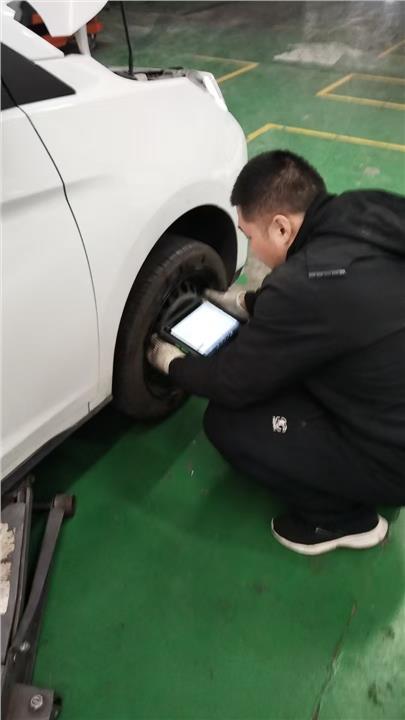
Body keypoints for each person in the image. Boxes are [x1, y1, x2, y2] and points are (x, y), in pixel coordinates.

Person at [148, 150, 405, 555]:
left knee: (226, 422)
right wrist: (253, 303)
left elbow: (231, 383)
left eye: (250, 237)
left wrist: (171, 363)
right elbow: (337, 304)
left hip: (394, 462)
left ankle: (339, 521)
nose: (252, 249)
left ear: (282, 228)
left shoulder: (303, 284)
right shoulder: (364, 207)